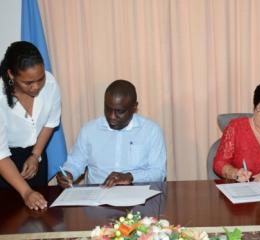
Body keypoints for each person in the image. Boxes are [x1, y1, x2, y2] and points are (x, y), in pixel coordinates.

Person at [56, 79, 166, 188]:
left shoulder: (151, 131)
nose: (112, 116)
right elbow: (75, 163)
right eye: (108, 109)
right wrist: (68, 173)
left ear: (134, 107)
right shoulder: (89, 130)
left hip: (137, 197)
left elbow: (158, 172)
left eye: (120, 111)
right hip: (97, 197)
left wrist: (131, 176)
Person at [0, 41, 62, 209]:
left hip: (36, 153)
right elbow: (1, 155)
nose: (36, 87)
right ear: (11, 75)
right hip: (5, 162)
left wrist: (35, 155)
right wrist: (26, 192)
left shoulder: (50, 84)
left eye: (40, 79)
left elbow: (50, 123)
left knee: (39, 214)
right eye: (28, 83)